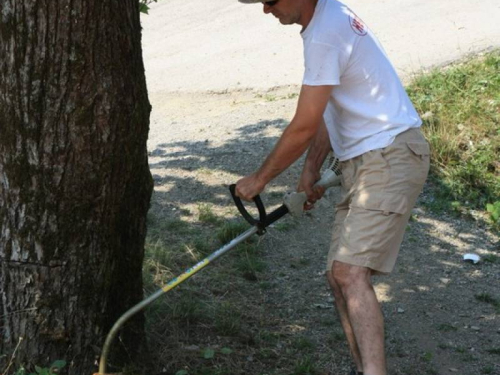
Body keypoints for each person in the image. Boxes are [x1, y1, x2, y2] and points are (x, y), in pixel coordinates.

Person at [235, 0, 430, 374]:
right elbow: (327, 109)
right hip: (366, 160)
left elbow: (304, 124)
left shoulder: (325, 31)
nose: (265, 10)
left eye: (269, 0)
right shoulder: (327, 20)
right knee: (337, 276)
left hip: (389, 155)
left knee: (350, 273)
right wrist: (310, 169)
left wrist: (259, 180)